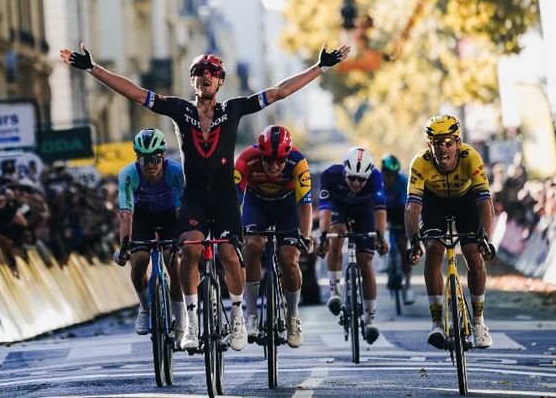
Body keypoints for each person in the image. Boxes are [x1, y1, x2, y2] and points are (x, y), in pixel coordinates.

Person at [61, 42, 350, 351]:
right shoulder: (178, 109)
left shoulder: (234, 109)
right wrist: (93, 68)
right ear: (192, 81)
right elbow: (134, 93)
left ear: (221, 81)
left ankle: (239, 317)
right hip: (194, 198)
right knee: (190, 253)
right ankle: (191, 324)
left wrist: (320, 67)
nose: (205, 77)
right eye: (198, 72)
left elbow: (279, 91)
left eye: (212, 73)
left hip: (225, 199)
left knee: (228, 256)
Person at [404, 115, 496, 350]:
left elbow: (484, 202)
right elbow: (413, 207)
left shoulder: (470, 156)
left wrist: (486, 237)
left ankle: (478, 322)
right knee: (433, 248)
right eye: (436, 143)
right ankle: (436, 322)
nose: (442, 148)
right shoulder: (420, 162)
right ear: (429, 146)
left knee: (473, 254)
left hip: (465, 201)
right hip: (434, 202)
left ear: (458, 143)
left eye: (447, 143)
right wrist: (414, 241)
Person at [235, 125, 313, 348]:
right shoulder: (246, 159)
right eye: (268, 160)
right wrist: (234, 228)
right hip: (255, 204)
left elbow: (305, 205)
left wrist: (304, 237)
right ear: (260, 152)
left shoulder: (298, 162)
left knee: (289, 259)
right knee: (252, 245)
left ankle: (292, 317)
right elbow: (234, 200)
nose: (275, 166)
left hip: (286, 207)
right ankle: (251, 315)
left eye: (280, 160)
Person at [113, 129, 186, 341]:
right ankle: (145, 307)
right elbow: (126, 215)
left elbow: (181, 211)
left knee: (172, 262)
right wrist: (124, 248)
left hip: (170, 217)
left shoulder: (175, 171)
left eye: (155, 158)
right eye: (144, 159)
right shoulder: (128, 174)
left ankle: (181, 320)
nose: (150, 165)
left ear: (163, 156)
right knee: (139, 261)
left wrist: (181, 241)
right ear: (138, 159)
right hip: (142, 218)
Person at [317, 147, 388, 344]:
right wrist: (323, 236)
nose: (357, 183)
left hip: (364, 212)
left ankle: (369, 319)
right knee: (336, 235)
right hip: (339, 209)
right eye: (352, 178)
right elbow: (325, 211)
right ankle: (334, 292)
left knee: (366, 262)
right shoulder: (330, 175)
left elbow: (380, 210)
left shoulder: (375, 177)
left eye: (361, 180)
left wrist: (380, 237)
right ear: (344, 171)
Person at [380, 154, 414, 305]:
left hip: (399, 213)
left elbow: (405, 207)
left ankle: (407, 283)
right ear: (382, 172)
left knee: (402, 248)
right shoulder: (377, 183)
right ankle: (386, 264)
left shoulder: (402, 182)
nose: (390, 178)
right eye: (387, 174)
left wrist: (404, 225)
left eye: (393, 175)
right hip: (382, 211)